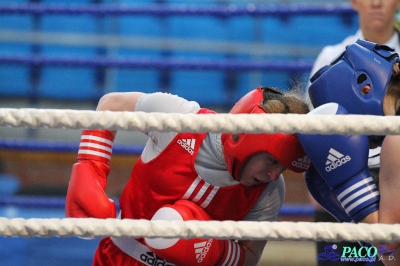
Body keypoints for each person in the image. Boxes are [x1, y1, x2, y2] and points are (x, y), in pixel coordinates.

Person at [65, 86, 311, 266]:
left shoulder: (270, 191)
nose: (275, 173)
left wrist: (212, 251)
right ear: (244, 139)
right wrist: (90, 168)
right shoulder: (182, 119)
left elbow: (250, 256)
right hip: (117, 258)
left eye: (284, 167)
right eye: (272, 161)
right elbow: (111, 105)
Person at [308, 1, 400, 264]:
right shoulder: (331, 56)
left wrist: (350, 189)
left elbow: (387, 246)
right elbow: (314, 125)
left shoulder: (395, 138)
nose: (376, 2)